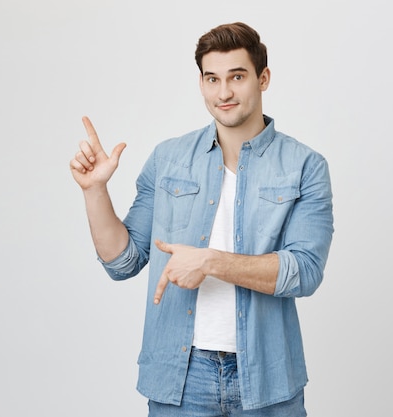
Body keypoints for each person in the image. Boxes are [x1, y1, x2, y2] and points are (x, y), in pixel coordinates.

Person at [69, 22, 333, 417]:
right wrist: (94, 191)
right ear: (202, 83)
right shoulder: (168, 159)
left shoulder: (305, 167)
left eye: (237, 77)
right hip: (181, 377)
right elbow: (122, 262)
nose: (223, 92)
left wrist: (210, 261)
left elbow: (304, 272)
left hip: (266, 377)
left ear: (263, 79)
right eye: (213, 79)